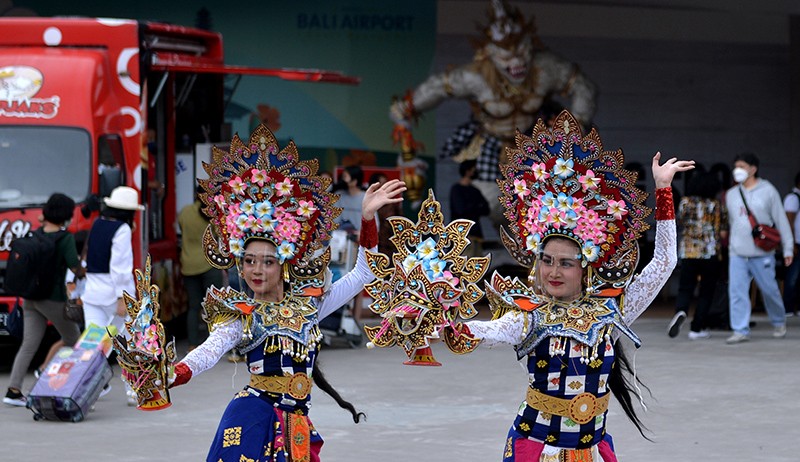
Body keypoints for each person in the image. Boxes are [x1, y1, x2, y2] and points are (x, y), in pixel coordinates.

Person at [457, 112, 693, 460]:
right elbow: (486, 330)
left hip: (592, 450)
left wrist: (663, 191)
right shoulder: (529, 316)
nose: (553, 271)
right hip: (538, 451)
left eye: (566, 263)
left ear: (585, 268)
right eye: (547, 260)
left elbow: (663, 264)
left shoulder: (612, 308)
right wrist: (445, 326)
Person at [165, 124, 405, 461]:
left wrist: (368, 218)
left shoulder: (310, 306)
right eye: (248, 261)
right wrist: (172, 374)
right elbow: (207, 353)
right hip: (253, 420)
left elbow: (363, 273)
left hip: (296, 426)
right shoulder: (240, 316)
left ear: (284, 265)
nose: (256, 270)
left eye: (266, 262)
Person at [390, 0, 595, 225]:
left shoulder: (545, 67)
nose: (516, 62)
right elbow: (436, 88)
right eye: (506, 57)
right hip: (490, 144)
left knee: (541, 203)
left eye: (522, 53)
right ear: (489, 53)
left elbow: (582, 86)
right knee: (488, 201)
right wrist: (405, 111)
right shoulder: (476, 76)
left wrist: (575, 128)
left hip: (532, 143)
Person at [4, 193, 84, 406]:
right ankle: (73, 385)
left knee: (28, 345)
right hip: (53, 299)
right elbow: (74, 266)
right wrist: (84, 271)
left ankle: (13, 391)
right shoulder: (64, 238)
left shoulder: (36, 234)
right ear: (66, 215)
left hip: (30, 298)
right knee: (74, 340)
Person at [724, 152, 794, 343]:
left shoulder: (768, 190)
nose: (737, 171)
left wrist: (788, 248)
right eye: (735, 166)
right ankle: (740, 329)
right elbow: (731, 222)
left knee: (769, 290)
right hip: (737, 252)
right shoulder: (731, 194)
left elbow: (781, 219)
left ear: (753, 169)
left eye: (742, 166)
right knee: (737, 292)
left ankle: (779, 321)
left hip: (762, 252)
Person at [82, 186, 143, 403]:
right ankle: (133, 391)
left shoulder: (98, 224)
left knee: (93, 345)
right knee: (128, 345)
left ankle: (83, 390)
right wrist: (122, 297)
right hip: (113, 295)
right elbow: (120, 267)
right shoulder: (122, 229)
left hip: (92, 293)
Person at [667, 171, 727, 339]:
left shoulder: (685, 203)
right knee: (706, 291)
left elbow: (678, 223)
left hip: (688, 252)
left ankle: (681, 311)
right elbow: (722, 234)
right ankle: (697, 328)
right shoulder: (717, 205)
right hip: (710, 253)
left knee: (685, 287)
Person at [178, 185, 223, 350]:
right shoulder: (212, 214)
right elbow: (219, 234)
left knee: (193, 306)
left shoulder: (185, 212)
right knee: (214, 305)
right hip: (209, 264)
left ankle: (192, 343)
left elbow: (181, 229)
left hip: (188, 265)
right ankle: (216, 341)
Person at [450, 160, 490, 257]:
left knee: (478, 266)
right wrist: (476, 207)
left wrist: (472, 208)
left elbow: (486, 209)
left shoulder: (475, 190)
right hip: (462, 235)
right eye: (473, 169)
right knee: (464, 265)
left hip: (476, 234)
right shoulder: (457, 189)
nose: (475, 171)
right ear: (467, 171)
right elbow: (460, 209)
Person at [782, 172, 800, 315]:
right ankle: (788, 308)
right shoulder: (793, 198)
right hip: (796, 243)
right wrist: (791, 243)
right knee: (792, 277)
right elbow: (789, 222)